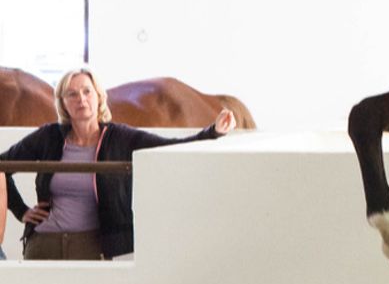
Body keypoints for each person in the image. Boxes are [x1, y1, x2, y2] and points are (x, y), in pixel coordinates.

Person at [0, 66, 235, 261]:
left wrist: (212, 132)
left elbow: (170, 145)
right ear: (63, 102)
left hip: (93, 249)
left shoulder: (121, 137)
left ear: (99, 96)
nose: (80, 99)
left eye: (86, 91)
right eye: (72, 94)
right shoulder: (48, 136)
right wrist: (21, 211)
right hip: (44, 246)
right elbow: (2, 164)